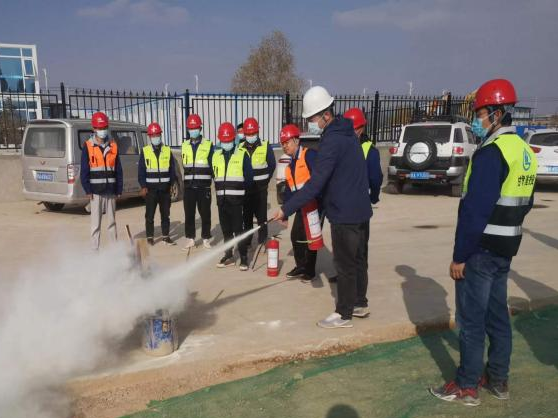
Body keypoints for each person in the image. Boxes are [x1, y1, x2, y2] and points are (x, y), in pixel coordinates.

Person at [430, 79, 538, 406]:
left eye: (480, 114)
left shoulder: (492, 152)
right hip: (506, 248)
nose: (477, 120)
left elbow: (474, 211)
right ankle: (498, 379)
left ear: (497, 113)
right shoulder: (523, 151)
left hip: (480, 250)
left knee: (472, 322)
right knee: (497, 317)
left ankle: (467, 385)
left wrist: (459, 257)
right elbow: (526, 202)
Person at [271, 86, 371, 329]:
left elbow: (315, 184)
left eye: (312, 118)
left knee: (345, 265)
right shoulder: (348, 134)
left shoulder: (331, 141)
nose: (311, 124)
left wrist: (286, 208)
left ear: (326, 114)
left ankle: (344, 314)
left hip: (344, 213)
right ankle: (359, 303)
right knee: (359, 260)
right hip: (361, 210)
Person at [342, 108, 384, 293]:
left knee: (357, 251)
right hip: (346, 207)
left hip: (357, 208)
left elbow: (375, 178)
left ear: (360, 129)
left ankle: (359, 294)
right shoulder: (344, 148)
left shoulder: (369, 151)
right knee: (347, 249)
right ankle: (346, 278)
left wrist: (373, 197)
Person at [280, 124, 318, 282]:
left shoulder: (309, 156)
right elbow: (289, 192)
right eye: (282, 143)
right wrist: (285, 213)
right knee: (296, 236)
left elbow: (319, 180)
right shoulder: (289, 167)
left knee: (310, 238)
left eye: (287, 142)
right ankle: (302, 266)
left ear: (296, 140)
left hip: (314, 205)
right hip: (301, 207)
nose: (284, 146)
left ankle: (309, 271)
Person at [212, 122, 253, 271]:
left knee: (238, 230)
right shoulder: (215, 156)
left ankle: (243, 257)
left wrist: (242, 195)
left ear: (233, 139)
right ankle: (228, 255)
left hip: (236, 201)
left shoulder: (242, 155)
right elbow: (214, 176)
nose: (226, 143)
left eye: (228, 140)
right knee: (226, 231)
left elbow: (249, 178)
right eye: (223, 140)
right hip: (222, 201)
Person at [80, 111, 123, 250]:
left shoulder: (113, 145)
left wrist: (119, 189)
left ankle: (114, 250)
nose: (102, 130)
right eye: (100, 128)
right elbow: (84, 170)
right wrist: (87, 190)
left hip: (110, 191)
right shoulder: (88, 146)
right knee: (95, 224)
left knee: (112, 223)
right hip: (95, 192)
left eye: (104, 127)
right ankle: (95, 250)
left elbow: (118, 169)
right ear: (94, 129)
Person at [239, 117, 276, 249]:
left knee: (261, 216)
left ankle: (262, 240)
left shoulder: (265, 145)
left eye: (253, 133)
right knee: (247, 216)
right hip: (246, 189)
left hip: (261, 189)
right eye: (248, 134)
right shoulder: (239, 147)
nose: (251, 136)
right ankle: (248, 241)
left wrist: (265, 180)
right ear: (244, 133)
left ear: (257, 132)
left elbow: (272, 164)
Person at [138, 122, 177, 246]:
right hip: (151, 190)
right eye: (153, 135)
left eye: (157, 135)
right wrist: (143, 186)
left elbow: (172, 169)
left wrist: (172, 184)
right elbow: (141, 171)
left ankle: (166, 236)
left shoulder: (167, 150)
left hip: (165, 189)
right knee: (149, 215)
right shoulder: (145, 151)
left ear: (160, 135)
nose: (155, 137)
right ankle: (150, 237)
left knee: (165, 215)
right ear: (150, 136)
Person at [181, 114, 214, 250]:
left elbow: (212, 165)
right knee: (189, 214)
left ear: (200, 129)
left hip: (203, 186)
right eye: (191, 128)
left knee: (205, 213)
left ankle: (206, 238)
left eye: (195, 128)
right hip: (189, 186)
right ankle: (190, 239)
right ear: (188, 129)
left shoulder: (208, 145)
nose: (193, 130)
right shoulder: (184, 145)